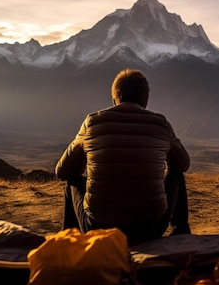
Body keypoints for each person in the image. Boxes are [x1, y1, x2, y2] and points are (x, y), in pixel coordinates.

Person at [55, 68, 191, 245]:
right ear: (145, 100)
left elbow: (62, 171)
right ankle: (181, 234)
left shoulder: (92, 122)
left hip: (99, 228)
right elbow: (183, 164)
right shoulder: (161, 124)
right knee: (176, 175)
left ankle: (70, 242)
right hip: (150, 229)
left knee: (72, 180)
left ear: (114, 99)